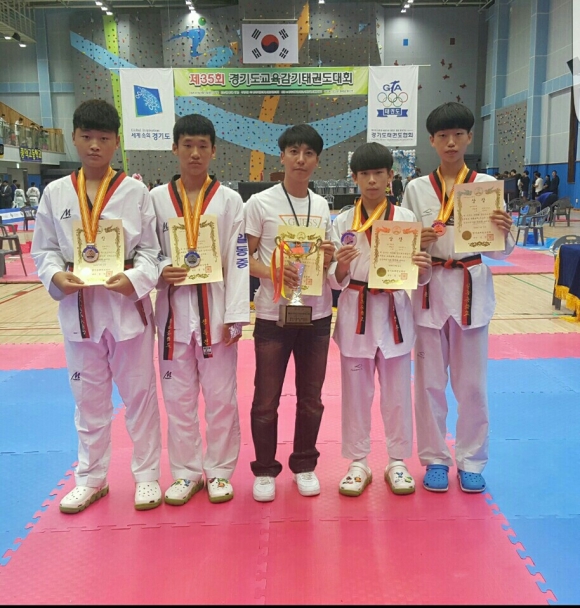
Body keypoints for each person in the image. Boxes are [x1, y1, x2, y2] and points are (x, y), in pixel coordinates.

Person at [31, 99, 163, 513]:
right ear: (73, 137)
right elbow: (44, 250)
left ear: (116, 142)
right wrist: (55, 276)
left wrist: (135, 280)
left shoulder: (135, 192)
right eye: (86, 136)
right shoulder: (55, 193)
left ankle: (146, 476)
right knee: (88, 401)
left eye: (103, 138)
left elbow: (152, 252)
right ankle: (90, 479)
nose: (94, 145)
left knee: (140, 398)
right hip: (80, 310)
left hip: (127, 310)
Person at [402, 102, 515, 494]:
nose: (450, 142)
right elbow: (402, 246)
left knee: (473, 386)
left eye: (457, 135)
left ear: (469, 137)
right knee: (429, 384)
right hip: (430, 288)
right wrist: (417, 240)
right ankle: (435, 458)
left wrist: (505, 229)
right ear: (432, 141)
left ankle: (471, 460)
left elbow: (500, 251)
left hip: (471, 287)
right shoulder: (416, 189)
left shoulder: (486, 185)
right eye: (443, 136)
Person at [150, 113, 249, 506]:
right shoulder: (156, 200)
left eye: (202, 146)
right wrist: (161, 267)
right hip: (173, 314)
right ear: (174, 148)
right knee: (178, 400)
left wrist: (236, 316)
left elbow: (239, 260)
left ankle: (220, 471)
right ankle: (186, 473)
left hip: (217, 312)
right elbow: (146, 251)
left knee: (222, 398)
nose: (194, 153)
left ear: (213, 151)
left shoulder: (230, 200)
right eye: (187, 145)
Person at [328, 142, 432, 497]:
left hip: (394, 312)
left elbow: (419, 277)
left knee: (398, 394)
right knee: (356, 395)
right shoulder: (343, 221)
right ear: (354, 178)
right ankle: (358, 462)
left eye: (378, 173)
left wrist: (424, 268)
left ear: (390, 176)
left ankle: (397, 461)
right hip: (356, 312)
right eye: (364, 174)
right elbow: (333, 280)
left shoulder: (406, 218)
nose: (371, 180)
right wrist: (341, 265)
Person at [244, 123, 335, 502]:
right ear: (281, 156)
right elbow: (243, 258)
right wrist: (273, 271)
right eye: (294, 151)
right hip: (273, 315)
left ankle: (304, 465)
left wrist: (329, 257)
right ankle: (265, 469)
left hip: (317, 314)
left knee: (311, 398)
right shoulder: (259, 204)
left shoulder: (322, 205)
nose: (301, 159)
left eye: (308, 153)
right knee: (266, 399)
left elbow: (327, 263)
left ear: (317, 160)